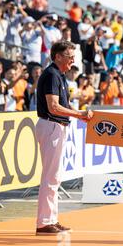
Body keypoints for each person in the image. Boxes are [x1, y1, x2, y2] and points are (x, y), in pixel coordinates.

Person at [35, 41, 93, 235]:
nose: (72, 60)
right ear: (58, 56)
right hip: (52, 125)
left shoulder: (57, 75)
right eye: (69, 56)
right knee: (51, 177)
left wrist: (77, 115)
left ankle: (50, 219)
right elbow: (53, 107)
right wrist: (79, 115)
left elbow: (58, 106)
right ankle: (44, 222)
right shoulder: (52, 75)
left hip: (55, 125)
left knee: (55, 176)